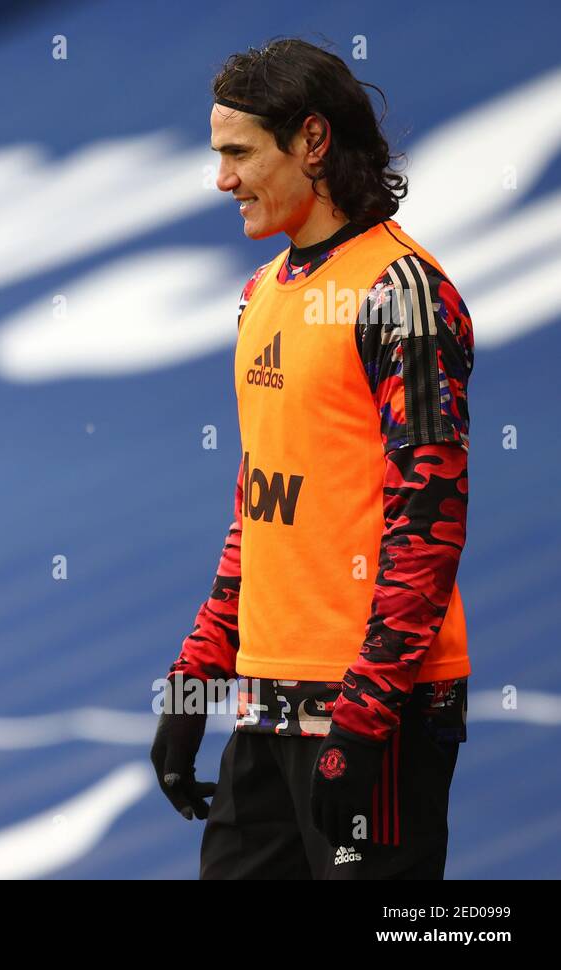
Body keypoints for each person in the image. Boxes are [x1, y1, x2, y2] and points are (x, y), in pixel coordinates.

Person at [151, 39, 473, 879]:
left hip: (377, 713)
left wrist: (365, 716)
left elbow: (429, 523)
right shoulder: (260, 295)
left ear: (313, 141)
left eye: (239, 153)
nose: (222, 179)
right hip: (267, 705)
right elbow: (259, 512)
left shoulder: (403, 295)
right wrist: (195, 682)